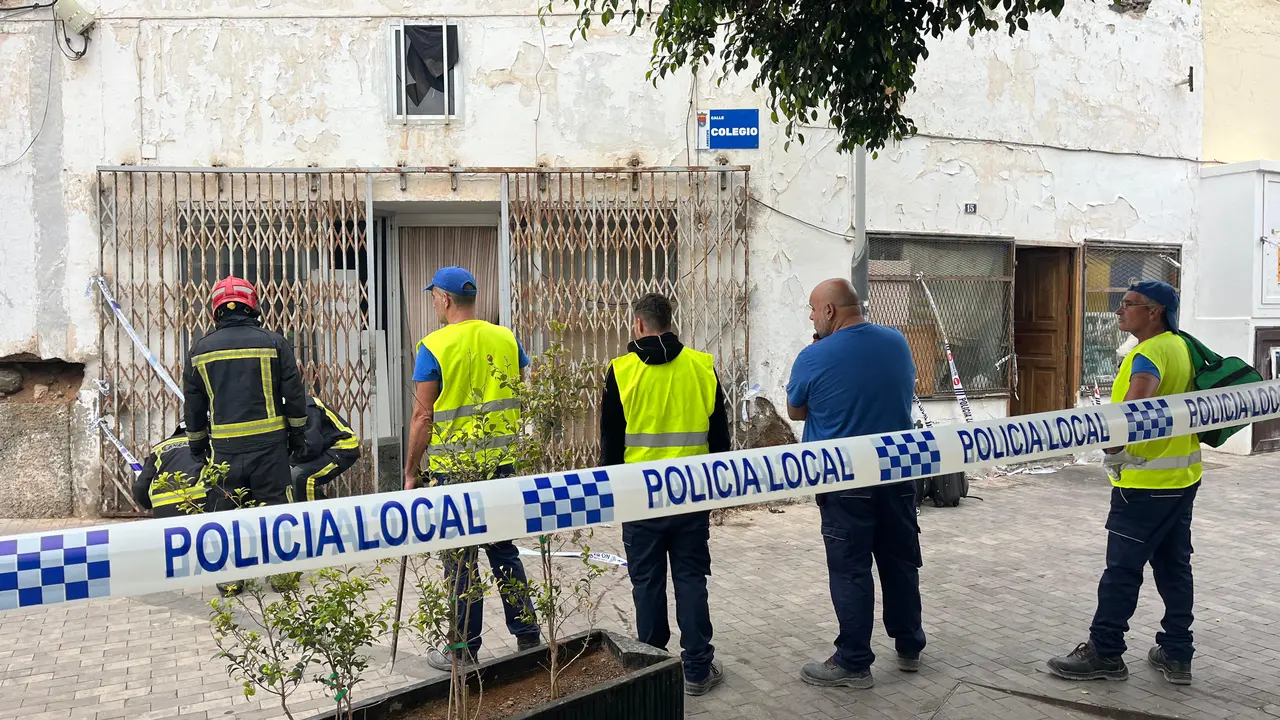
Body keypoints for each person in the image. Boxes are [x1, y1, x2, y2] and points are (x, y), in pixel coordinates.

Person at [1047, 280, 1201, 686]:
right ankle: (1177, 653)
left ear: (1154, 312)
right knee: (1174, 568)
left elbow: (1133, 410)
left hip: (1144, 484)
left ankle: (1106, 652)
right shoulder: (1180, 346)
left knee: (1121, 570)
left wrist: (1113, 447)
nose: (1119, 310)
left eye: (1128, 304)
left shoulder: (1148, 353)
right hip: (1181, 480)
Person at [786, 278, 926, 689]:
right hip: (897, 474)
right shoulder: (897, 341)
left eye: (813, 309)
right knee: (900, 563)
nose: (811, 316)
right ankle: (909, 646)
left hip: (844, 482)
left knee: (850, 571)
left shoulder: (814, 356)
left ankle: (853, 661)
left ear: (829, 311)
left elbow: (795, 411)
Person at [402, 266, 540, 669]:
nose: (433, 304)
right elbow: (519, 392)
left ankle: (464, 650)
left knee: (461, 563)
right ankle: (528, 637)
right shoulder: (506, 338)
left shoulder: (434, 346)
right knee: (504, 552)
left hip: (455, 473)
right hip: (500, 465)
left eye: (433, 297)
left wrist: (412, 472)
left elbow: (422, 417)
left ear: (444, 299)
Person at [602, 292, 730, 697]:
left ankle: (654, 667)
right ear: (670, 322)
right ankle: (696, 669)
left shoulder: (621, 371)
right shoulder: (701, 366)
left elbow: (610, 445)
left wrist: (614, 494)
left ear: (639, 324)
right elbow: (721, 441)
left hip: (640, 498)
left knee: (647, 583)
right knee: (691, 579)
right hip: (691, 495)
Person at [183, 275, 309, 596]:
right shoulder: (274, 343)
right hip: (269, 448)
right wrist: (298, 437)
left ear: (216, 310)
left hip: (224, 450)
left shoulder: (199, 350)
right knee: (275, 507)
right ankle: (281, 576)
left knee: (226, 512)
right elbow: (294, 397)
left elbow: (194, 407)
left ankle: (229, 579)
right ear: (253, 305)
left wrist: (197, 445)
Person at [289, 395, 362, 503]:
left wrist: (292, 461)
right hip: (325, 447)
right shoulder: (286, 407)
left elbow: (312, 445)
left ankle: (311, 516)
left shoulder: (307, 405)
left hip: (343, 447)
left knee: (301, 477)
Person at [132, 423, 208, 518]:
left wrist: (148, 505)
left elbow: (140, 487)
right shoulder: (209, 445)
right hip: (198, 505)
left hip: (162, 509)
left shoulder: (159, 448)